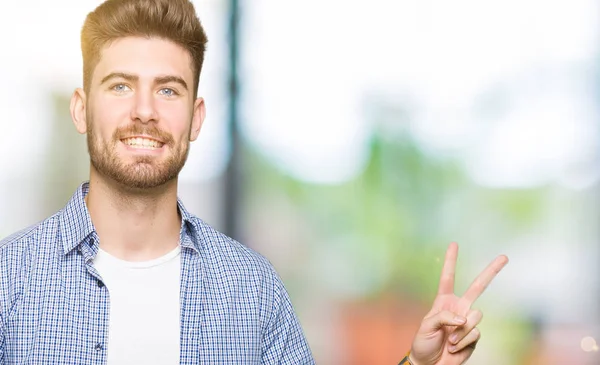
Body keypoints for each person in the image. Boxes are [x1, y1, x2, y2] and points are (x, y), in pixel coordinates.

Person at [0, 0, 508, 364]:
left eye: (169, 90)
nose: (144, 111)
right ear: (81, 109)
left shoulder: (251, 288)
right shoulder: (8, 281)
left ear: (196, 118)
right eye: (120, 86)